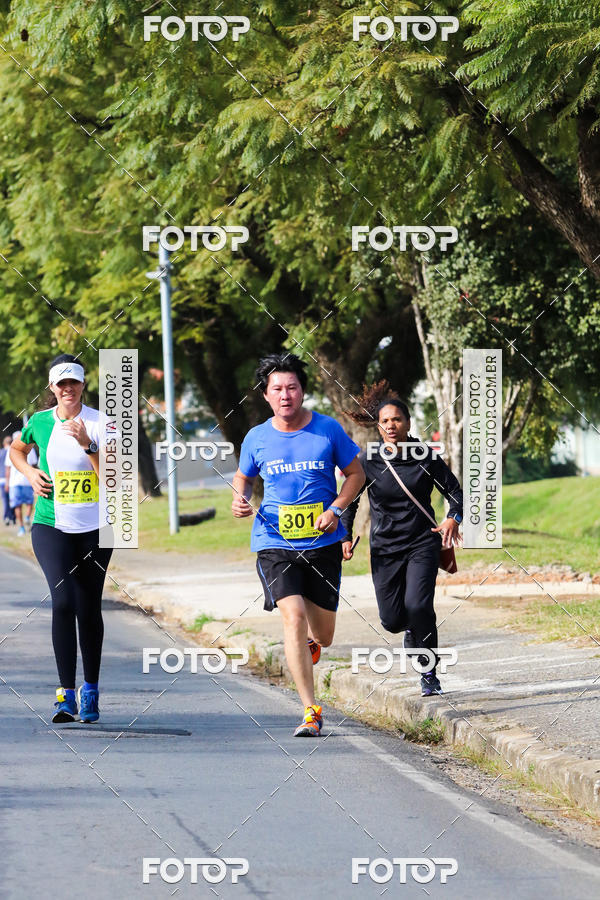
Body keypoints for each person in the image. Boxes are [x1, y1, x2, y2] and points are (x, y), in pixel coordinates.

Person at [232, 353, 365, 736]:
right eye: (278, 389)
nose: (286, 395)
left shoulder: (327, 430)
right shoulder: (256, 437)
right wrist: (239, 499)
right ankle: (310, 710)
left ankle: (312, 645)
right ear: (266, 395)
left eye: (292, 387)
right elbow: (243, 477)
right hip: (274, 540)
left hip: (323, 542)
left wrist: (337, 510)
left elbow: (355, 474)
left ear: (302, 391)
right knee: (293, 616)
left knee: (323, 634)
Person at [341, 381, 463, 696]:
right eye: (385, 421)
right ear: (378, 427)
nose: (391, 426)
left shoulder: (426, 455)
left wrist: (453, 517)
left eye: (397, 420)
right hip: (384, 547)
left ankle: (429, 674)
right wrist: (345, 534)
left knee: (419, 605)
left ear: (407, 423)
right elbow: (350, 499)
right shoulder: (369, 460)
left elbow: (455, 491)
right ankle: (408, 630)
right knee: (392, 620)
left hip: (422, 542)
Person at [9, 354, 113, 723]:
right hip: (50, 523)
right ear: (52, 388)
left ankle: (91, 692)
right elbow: (16, 449)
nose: (68, 389)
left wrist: (89, 444)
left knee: (88, 607)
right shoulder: (38, 422)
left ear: (84, 385)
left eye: (75, 383)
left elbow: (115, 479)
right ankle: (64, 695)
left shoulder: (103, 423)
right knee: (62, 601)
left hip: (97, 527)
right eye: (61, 384)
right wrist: (30, 473)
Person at [6, 431, 36, 535]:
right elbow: (33, 466)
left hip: (14, 483)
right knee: (29, 503)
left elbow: (8, 469)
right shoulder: (31, 450)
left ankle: (22, 528)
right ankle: (27, 517)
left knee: (17, 505)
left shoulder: (12, 449)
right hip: (27, 481)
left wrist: (7, 483)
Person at [0, 436, 16, 525]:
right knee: (13, 500)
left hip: (2, 480)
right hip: (13, 480)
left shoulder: (1, 452)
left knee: (5, 500)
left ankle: (6, 517)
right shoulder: (14, 451)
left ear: (4, 444)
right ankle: (13, 517)